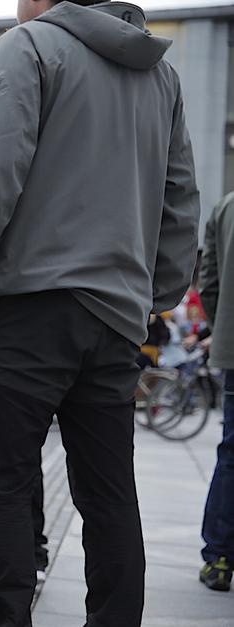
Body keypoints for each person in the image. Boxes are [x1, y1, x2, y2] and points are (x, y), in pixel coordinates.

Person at [0, 1, 200, 625]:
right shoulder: (161, 75)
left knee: (1, 491)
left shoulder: (28, 46)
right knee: (109, 498)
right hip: (114, 318)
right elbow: (180, 196)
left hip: (25, 310)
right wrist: (151, 294)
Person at [199, 191, 234, 593]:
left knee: (231, 453)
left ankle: (220, 558)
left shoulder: (226, 206)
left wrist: (222, 327)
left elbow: (209, 281)